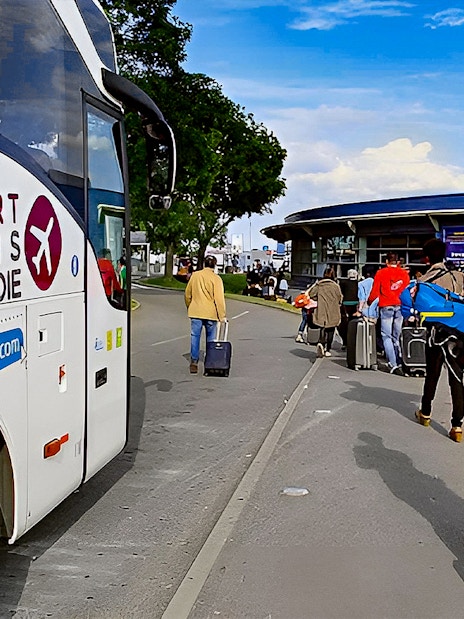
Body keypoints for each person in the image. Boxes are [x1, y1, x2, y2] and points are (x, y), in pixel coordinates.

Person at [414, 239, 464, 441]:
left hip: (439, 333)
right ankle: (457, 425)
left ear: (427, 258)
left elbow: (419, 307)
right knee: (457, 377)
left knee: (432, 373)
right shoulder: (460, 275)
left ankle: (425, 412)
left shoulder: (427, 279)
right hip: (461, 332)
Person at [368, 252, 410, 374]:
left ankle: (393, 363)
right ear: (398, 262)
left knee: (386, 336)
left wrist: (370, 302)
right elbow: (407, 291)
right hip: (400, 306)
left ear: (386, 261)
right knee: (397, 335)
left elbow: (375, 291)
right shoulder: (404, 274)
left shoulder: (381, 273)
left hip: (386, 305)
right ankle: (399, 359)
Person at [184, 255, 227, 374]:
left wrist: (190, 305)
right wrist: (221, 315)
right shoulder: (216, 278)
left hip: (196, 310)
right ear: (215, 265)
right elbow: (219, 299)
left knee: (195, 336)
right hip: (211, 312)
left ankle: (194, 361)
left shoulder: (195, 276)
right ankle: (210, 361)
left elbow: (188, 294)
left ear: (204, 264)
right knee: (211, 338)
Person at [309, 267, 342, 357]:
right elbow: (340, 298)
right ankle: (328, 349)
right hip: (333, 310)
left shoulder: (319, 285)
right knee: (331, 329)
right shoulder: (335, 286)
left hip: (321, 309)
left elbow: (311, 294)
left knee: (322, 327)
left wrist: (318, 299)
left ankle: (321, 343)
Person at [338, 268, 359, 348]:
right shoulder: (358, 283)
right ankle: (353, 341)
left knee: (344, 323)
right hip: (355, 305)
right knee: (354, 323)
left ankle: (345, 342)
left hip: (345, 305)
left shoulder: (343, 283)